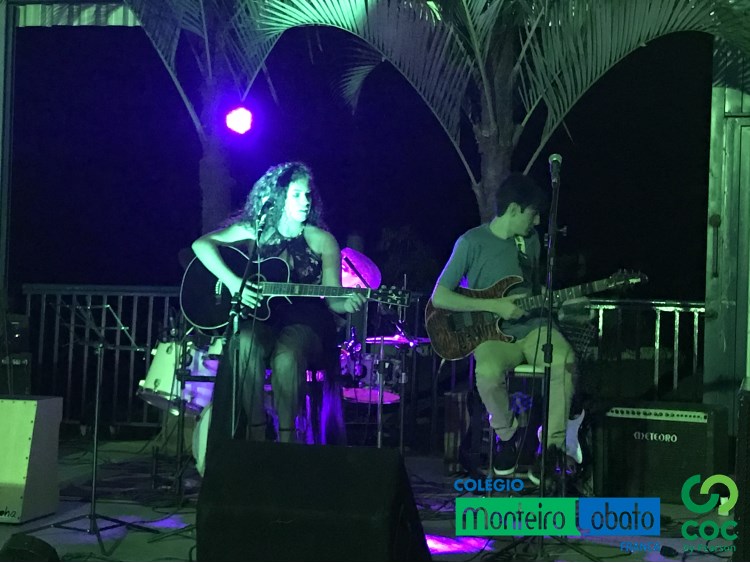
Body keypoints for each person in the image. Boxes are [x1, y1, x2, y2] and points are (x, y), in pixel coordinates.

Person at [192, 162, 366, 448]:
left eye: (308, 194)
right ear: (277, 197)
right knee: (244, 343)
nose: (305, 201)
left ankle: (287, 442)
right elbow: (201, 245)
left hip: (306, 320)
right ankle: (257, 434)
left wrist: (347, 304)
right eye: (296, 194)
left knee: (287, 356)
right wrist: (234, 283)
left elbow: (333, 298)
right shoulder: (256, 231)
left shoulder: (322, 240)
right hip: (262, 317)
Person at [430, 172, 576, 485]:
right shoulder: (471, 242)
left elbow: (532, 288)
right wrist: (496, 306)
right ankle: (508, 435)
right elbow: (440, 296)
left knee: (564, 361)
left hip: (534, 327)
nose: (536, 221)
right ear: (513, 209)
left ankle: (551, 448)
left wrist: (560, 300)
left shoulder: (531, 242)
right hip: (492, 334)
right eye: (532, 213)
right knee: (487, 373)